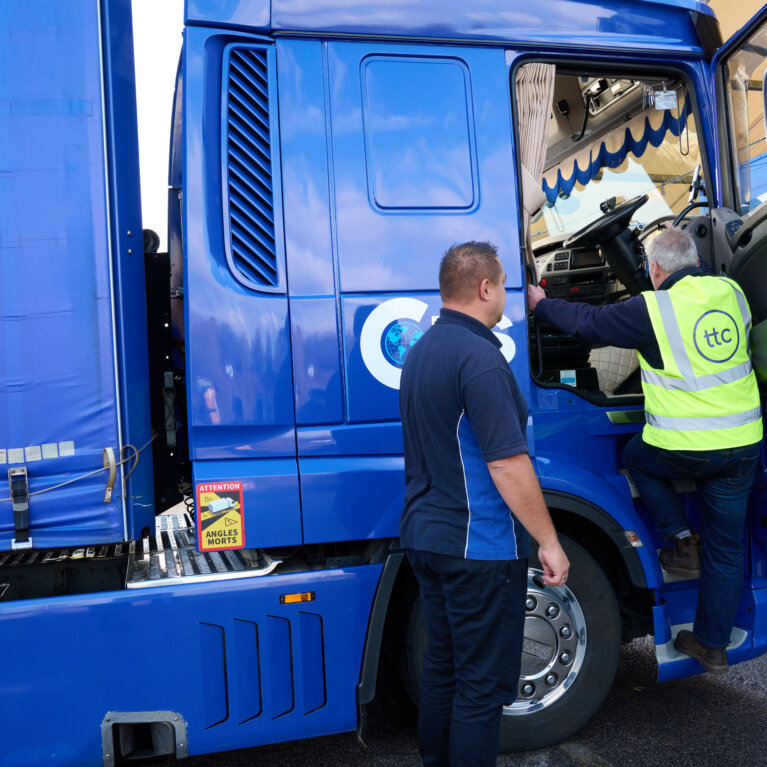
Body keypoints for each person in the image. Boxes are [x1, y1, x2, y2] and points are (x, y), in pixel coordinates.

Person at [527, 226, 762, 675]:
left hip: (686, 447)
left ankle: (678, 539)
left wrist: (540, 304)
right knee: (728, 548)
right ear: (694, 262)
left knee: (636, 456)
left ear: (654, 270)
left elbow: (586, 324)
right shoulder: (732, 291)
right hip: (744, 445)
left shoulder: (653, 308)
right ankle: (711, 644)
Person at [400, 241, 570, 767]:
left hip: (428, 538)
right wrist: (549, 541)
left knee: (444, 670)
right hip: (479, 547)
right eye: (503, 285)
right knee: (480, 689)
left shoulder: (422, 351)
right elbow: (507, 465)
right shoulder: (480, 358)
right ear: (485, 287)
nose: (506, 297)